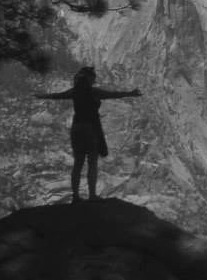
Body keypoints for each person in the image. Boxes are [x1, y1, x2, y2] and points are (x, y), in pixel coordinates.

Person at [35, 66, 141, 203]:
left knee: (78, 163)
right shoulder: (93, 91)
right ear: (89, 78)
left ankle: (76, 196)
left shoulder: (75, 92)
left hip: (77, 128)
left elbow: (58, 96)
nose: (95, 79)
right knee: (92, 163)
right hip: (91, 129)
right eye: (93, 77)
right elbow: (113, 94)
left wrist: (43, 96)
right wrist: (130, 93)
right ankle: (92, 196)